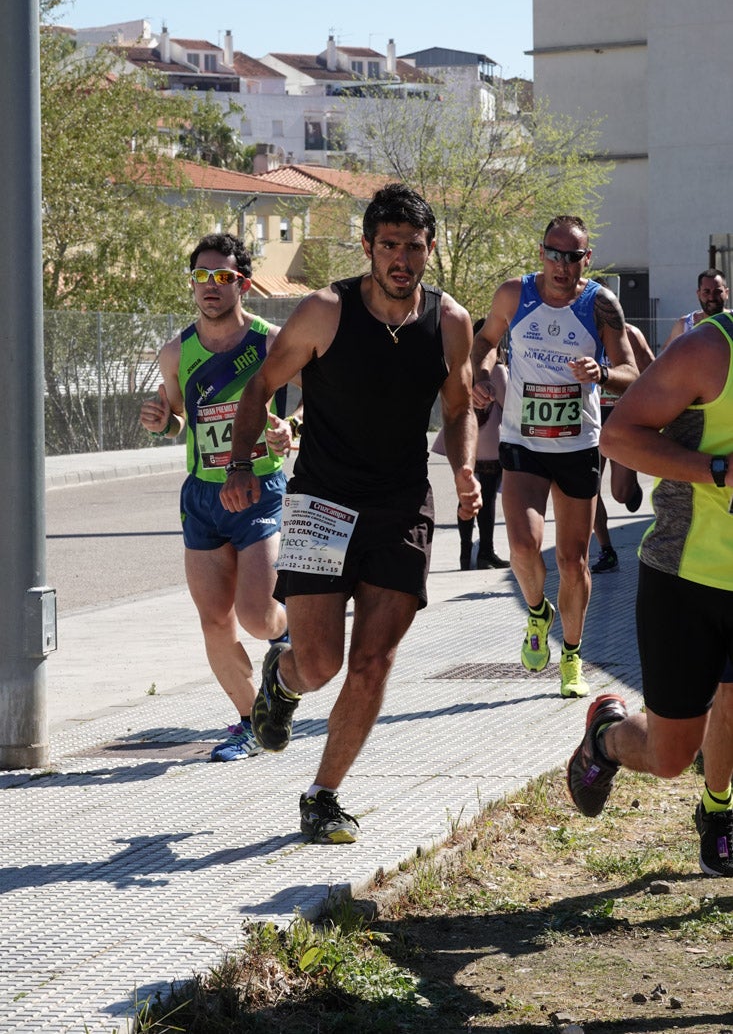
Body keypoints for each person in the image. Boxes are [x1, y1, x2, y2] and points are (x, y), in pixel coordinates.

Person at [220, 184, 481, 844]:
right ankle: (282, 680)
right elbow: (260, 385)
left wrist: (465, 471)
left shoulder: (449, 321)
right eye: (388, 245)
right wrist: (241, 464)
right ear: (367, 248)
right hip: (321, 504)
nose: (400, 258)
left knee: (373, 663)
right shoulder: (324, 311)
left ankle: (322, 795)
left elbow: (456, 407)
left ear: (429, 250)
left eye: (413, 247)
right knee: (320, 664)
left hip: (399, 506)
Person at [567, 310, 733, 877]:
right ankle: (606, 738)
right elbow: (617, 437)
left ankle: (717, 813)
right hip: (687, 576)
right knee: (670, 756)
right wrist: (718, 469)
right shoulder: (709, 350)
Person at [140, 232, 296, 763]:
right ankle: (252, 720)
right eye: (201, 277)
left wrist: (287, 430)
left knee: (256, 616)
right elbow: (182, 417)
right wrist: (165, 423)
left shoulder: (272, 342)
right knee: (214, 621)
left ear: (243, 285)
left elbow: (312, 407)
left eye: (222, 277)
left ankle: (287, 631)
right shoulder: (174, 352)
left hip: (257, 490)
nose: (210, 287)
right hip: (203, 498)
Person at [472, 216, 637, 699]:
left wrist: (601, 373)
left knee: (572, 561)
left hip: (577, 445)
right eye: (553, 253)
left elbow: (630, 369)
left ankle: (571, 654)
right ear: (540, 252)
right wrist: (481, 374)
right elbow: (484, 341)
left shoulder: (600, 304)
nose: (561, 265)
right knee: (523, 547)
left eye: (573, 256)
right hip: (522, 441)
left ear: (587, 259)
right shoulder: (513, 294)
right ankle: (537, 613)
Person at [432, 321, 510, 571]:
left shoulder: (461, 367)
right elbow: (509, 406)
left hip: (464, 442)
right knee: (485, 499)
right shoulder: (497, 371)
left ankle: (466, 552)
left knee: (465, 494)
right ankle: (486, 551)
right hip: (489, 443)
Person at [591, 323, 655, 574]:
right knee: (590, 489)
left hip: (622, 420)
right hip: (591, 421)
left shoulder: (631, 334)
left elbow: (653, 371)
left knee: (620, 494)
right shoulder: (580, 330)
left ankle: (631, 484)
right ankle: (606, 550)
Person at [662, 268, 729, 349]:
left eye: (717, 291)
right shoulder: (684, 326)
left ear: (726, 293)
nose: (711, 297)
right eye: (706, 292)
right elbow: (667, 357)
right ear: (698, 294)